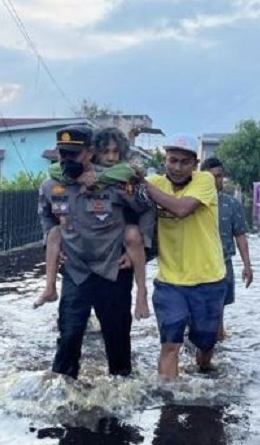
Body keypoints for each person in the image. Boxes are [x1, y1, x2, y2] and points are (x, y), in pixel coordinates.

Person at [38, 125, 155, 379]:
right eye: (63, 154)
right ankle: (64, 396)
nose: (67, 160)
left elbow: (147, 209)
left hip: (113, 271)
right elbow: (47, 217)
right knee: (68, 338)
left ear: (90, 153)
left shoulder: (117, 184)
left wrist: (140, 248)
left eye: (74, 155)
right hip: (76, 271)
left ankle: (121, 402)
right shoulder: (51, 186)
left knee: (117, 344)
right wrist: (51, 245)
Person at [140, 133, 226, 379]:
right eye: (172, 160)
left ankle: (204, 367)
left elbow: (181, 209)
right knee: (170, 345)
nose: (177, 167)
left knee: (206, 341)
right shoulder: (155, 182)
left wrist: (144, 185)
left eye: (184, 162)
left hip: (208, 279)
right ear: (165, 160)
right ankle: (170, 403)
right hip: (170, 281)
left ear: (195, 164)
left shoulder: (205, 181)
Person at [200, 157, 253, 341]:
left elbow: (240, 236)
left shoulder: (231, 205)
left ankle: (217, 355)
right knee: (193, 315)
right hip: (196, 265)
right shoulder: (191, 203)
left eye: (220, 176)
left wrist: (247, 265)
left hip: (223, 266)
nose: (217, 181)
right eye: (211, 177)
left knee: (218, 315)